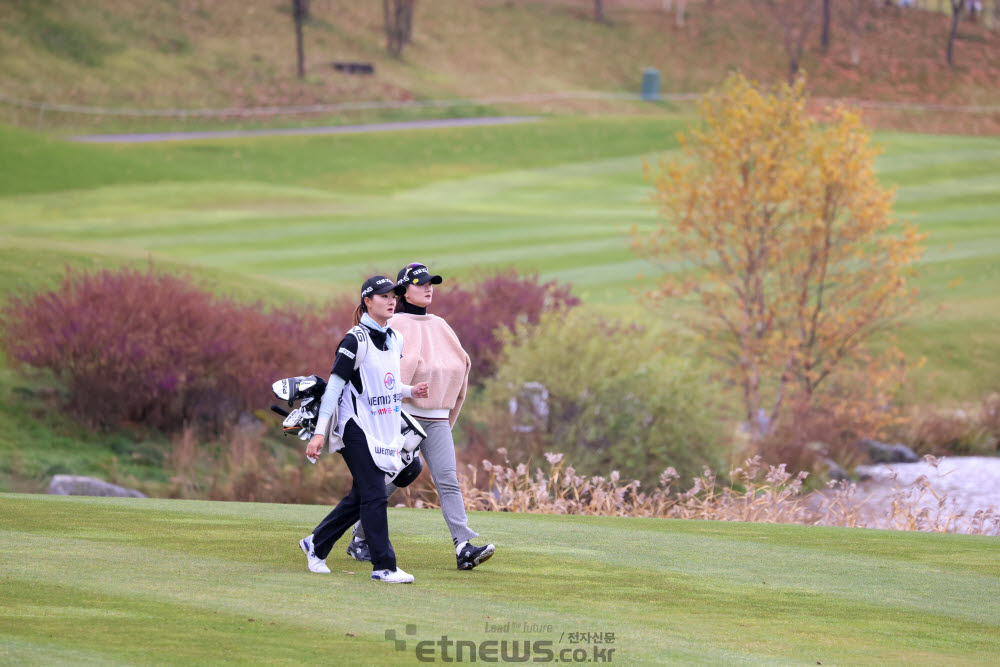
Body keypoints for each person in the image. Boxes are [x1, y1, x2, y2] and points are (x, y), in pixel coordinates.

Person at [346, 263, 496, 571]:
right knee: (390, 479)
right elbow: (380, 373)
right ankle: (359, 537)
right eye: (420, 284)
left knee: (448, 480)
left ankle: (463, 547)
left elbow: (460, 368)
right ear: (403, 291)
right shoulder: (395, 323)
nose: (428, 288)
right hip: (402, 415)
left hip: (437, 417)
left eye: (431, 283)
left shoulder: (440, 324)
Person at [298, 275, 429, 584]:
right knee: (374, 494)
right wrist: (319, 433)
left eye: (394, 295)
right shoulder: (353, 340)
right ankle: (384, 565)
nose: (391, 299)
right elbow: (334, 388)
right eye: (384, 296)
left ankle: (315, 544)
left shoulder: (395, 339)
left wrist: (411, 391)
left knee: (361, 495)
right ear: (367, 302)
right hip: (354, 428)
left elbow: (385, 383)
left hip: (382, 428)